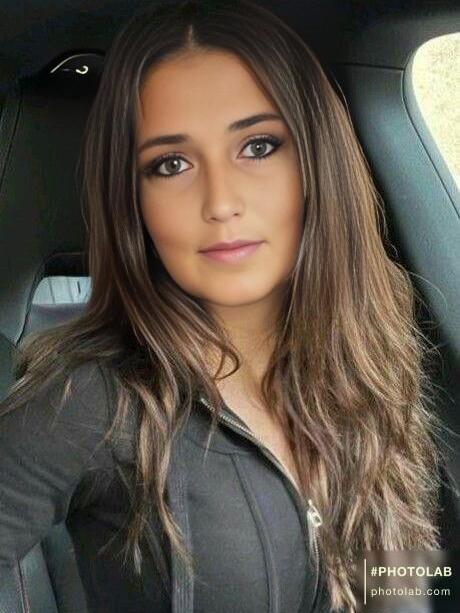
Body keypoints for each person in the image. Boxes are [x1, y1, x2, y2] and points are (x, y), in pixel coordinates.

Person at [0, 1, 454, 612]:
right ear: (132, 201)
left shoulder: (374, 360)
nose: (220, 202)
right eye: (171, 164)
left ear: (317, 163)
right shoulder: (92, 400)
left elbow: (401, 590)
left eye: (258, 146)